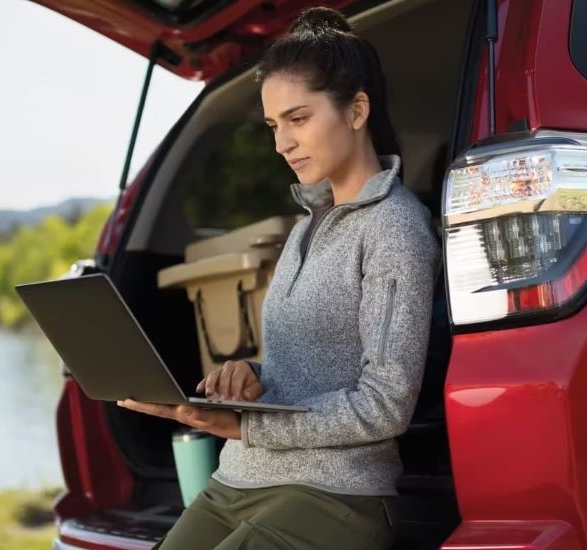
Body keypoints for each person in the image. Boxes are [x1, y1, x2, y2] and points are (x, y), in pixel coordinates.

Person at [117, 6, 440, 550]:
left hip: (332, 495)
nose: (280, 144)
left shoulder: (395, 227)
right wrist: (250, 374)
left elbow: (386, 403)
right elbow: (311, 367)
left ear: (356, 110)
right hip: (236, 480)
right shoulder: (302, 230)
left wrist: (247, 425)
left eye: (298, 119)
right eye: (273, 126)